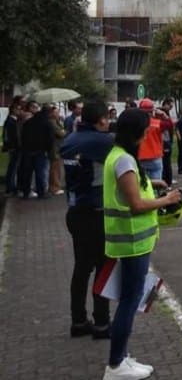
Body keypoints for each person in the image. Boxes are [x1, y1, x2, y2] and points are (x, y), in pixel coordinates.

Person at [102, 109, 182, 380]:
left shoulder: (120, 156)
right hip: (132, 242)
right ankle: (115, 364)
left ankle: (121, 356)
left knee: (129, 298)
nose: (149, 131)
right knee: (129, 301)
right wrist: (166, 200)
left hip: (134, 242)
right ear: (136, 131)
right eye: (146, 128)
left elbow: (133, 192)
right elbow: (136, 205)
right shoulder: (123, 160)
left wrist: (152, 183)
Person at [61, 101, 115, 340]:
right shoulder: (102, 142)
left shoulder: (70, 139)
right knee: (103, 268)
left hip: (74, 209)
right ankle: (102, 322)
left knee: (81, 268)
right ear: (101, 120)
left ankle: (78, 320)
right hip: (96, 211)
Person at [19, 102, 53, 199]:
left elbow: (23, 136)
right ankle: (41, 192)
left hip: (28, 150)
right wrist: (48, 149)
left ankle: (26, 191)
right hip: (41, 151)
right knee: (40, 172)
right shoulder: (47, 123)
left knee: (27, 172)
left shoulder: (28, 123)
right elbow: (50, 139)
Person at [3, 97, 25, 196]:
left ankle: (11, 186)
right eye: (19, 109)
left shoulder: (12, 121)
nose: (20, 111)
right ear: (14, 110)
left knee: (13, 167)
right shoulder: (11, 122)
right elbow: (11, 136)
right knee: (13, 168)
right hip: (14, 148)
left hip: (14, 147)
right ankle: (10, 187)